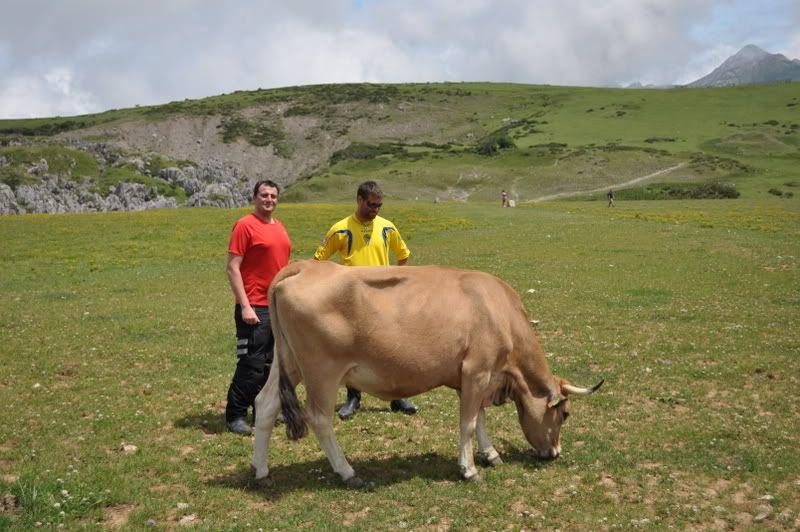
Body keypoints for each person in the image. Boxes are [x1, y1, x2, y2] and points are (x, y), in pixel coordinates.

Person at [313, 180, 419, 420]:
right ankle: (353, 398)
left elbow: (403, 256)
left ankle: (396, 396)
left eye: (380, 205)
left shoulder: (387, 227)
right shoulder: (340, 229)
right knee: (353, 349)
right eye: (371, 204)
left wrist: (396, 281)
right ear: (359, 200)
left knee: (391, 346)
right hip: (353, 300)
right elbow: (318, 262)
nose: (376, 210)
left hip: (384, 298)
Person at [225, 179, 291, 435]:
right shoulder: (245, 225)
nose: (269, 200)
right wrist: (245, 306)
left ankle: (262, 410)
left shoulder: (280, 227)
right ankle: (235, 415)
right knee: (251, 363)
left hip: (277, 305)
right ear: (254, 198)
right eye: (264, 195)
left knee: (272, 363)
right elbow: (232, 267)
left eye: (273, 196)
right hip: (254, 305)